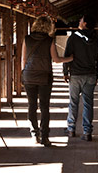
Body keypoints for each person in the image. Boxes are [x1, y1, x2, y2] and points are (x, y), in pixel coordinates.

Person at [21, 15, 72, 147]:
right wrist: (70, 58)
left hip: (29, 76)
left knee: (31, 106)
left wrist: (25, 73)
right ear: (48, 27)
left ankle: (34, 133)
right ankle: (44, 137)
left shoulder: (27, 39)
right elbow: (56, 60)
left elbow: (23, 60)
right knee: (44, 107)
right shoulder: (49, 41)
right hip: (44, 77)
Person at [63, 14, 98, 141]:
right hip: (90, 75)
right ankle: (87, 132)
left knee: (73, 102)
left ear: (84, 23)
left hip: (75, 75)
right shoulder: (96, 39)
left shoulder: (73, 38)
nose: (79, 21)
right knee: (88, 104)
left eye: (81, 20)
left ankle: (71, 129)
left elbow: (66, 56)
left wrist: (65, 72)